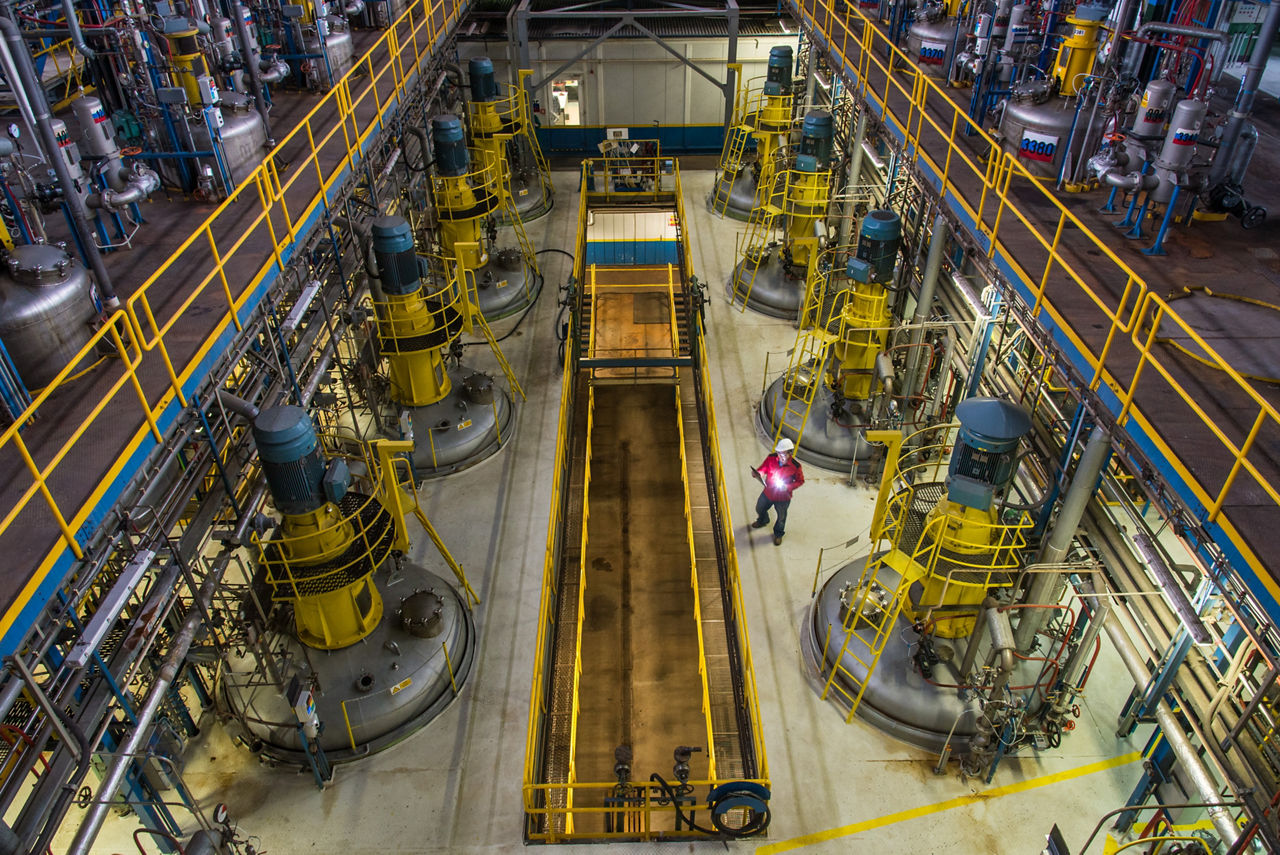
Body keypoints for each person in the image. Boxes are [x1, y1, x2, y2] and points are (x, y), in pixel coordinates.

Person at [751, 437, 804, 545]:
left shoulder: (796, 466)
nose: (780, 456)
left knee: (781, 517)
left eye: (783, 454)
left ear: (790, 453)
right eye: (779, 453)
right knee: (759, 508)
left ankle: (778, 534)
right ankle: (763, 520)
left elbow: (800, 481)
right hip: (768, 492)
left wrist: (788, 487)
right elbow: (764, 468)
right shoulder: (771, 458)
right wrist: (759, 473)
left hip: (783, 498)